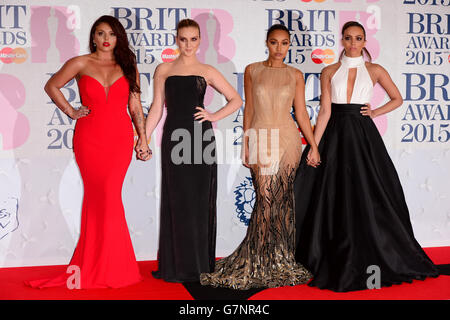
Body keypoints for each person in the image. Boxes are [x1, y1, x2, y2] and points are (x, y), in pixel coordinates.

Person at [294, 21, 439, 292]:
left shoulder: (374, 70)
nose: (352, 43)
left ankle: (375, 249)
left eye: (358, 38)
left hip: (362, 137)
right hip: (334, 135)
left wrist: (374, 112)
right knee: (332, 194)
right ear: (342, 40)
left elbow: (397, 98)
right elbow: (325, 111)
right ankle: (331, 251)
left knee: (371, 192)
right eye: (348, 38)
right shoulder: (329, 71)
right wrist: (314, 145)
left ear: (364, 41)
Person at [26, 15, 150, 289]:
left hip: (119, 139)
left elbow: (136, 107)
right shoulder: (80, 63)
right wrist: (71, 111)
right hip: (90, 139)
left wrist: (142, 139)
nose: (106, 38)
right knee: (99, 198)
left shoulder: (128, 65)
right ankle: (104, 266)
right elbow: (52, 86)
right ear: (93, 37)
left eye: (112, 34)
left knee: (110, 196)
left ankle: (108, 265)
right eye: (100, 33)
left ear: (118, 37)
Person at [200, 24, 320, 290]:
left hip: (288, 141)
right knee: (266, 199)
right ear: (267, 43)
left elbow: (301, 113)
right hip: (261, 138)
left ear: (290, 45)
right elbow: (250, 111)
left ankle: (279, 258)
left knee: (282, 201)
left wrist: (313, 145)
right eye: (275, 42)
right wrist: (246, 145)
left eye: (285, 43)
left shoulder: (296, 75)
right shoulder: (253, 70)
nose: (280, 48)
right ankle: (256, 258)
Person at [145, 19, 242, 283]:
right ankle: (176, 266)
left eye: (193, 39)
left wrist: (213, 115)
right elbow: (156, 108)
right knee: (176, 200)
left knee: (199, 200)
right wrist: (143, 136)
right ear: (177, 40)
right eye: (183, 39)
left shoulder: (207, 70)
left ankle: (198, 265)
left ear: (200, 41)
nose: (188, 44)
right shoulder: (163, 69)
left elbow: (236, 100)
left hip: (201, 139)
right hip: (174, 139)